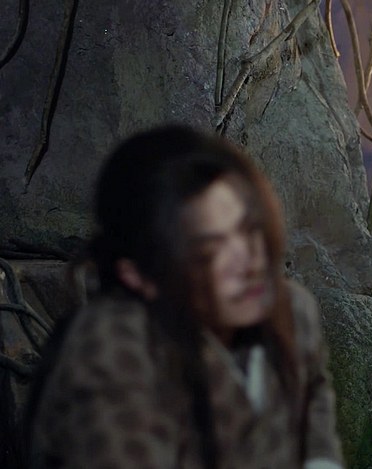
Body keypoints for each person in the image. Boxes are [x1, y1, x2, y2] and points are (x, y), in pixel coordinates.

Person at [28, 125, 344, 469]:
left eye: (249, 229)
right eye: (208, 253)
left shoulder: (293, 311)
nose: (249, 262)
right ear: (139, 276)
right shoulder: (113, 345)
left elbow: (315, 412)